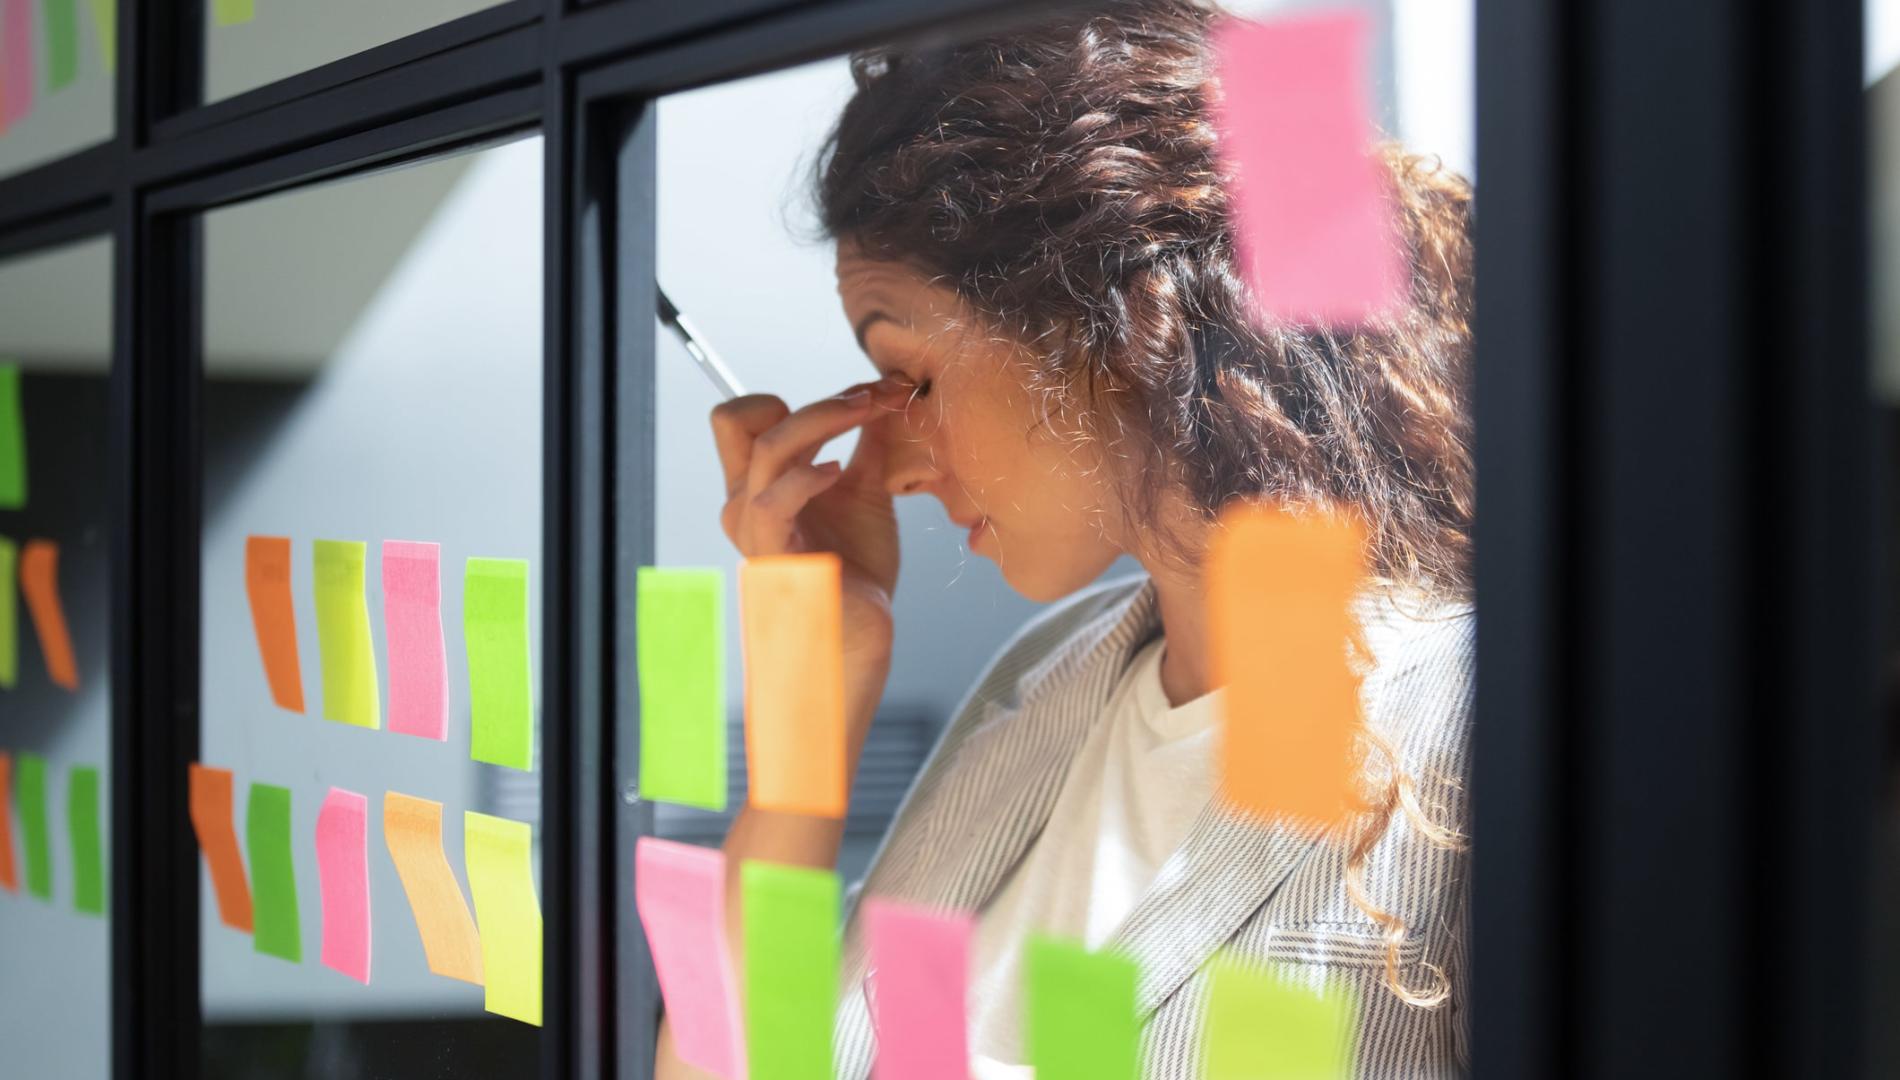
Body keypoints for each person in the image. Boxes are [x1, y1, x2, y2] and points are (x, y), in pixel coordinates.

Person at [656, 1, 1475, 1076]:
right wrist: (819, 679)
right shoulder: (1040, 685)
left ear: (1123, 323)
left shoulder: (1473, 731)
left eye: (914, 377)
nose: (892, 469)